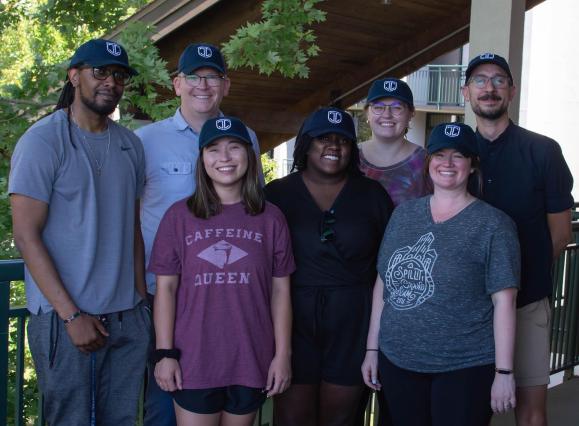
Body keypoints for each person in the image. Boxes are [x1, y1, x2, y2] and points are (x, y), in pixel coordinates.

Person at [9, 39, 150, 425]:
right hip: (66, 318)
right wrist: (71, 317)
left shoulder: (130, 145)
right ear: (74, 76)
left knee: (122, 420)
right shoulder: (42, 141)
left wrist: (141, 303)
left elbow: (132, 228)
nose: (111, 81)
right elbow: (26, 236)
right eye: (100, 72)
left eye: (119, 75)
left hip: (127, 315)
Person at [136, 43, 263, 425]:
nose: (202, 85)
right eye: (193, 77)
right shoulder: (146, 141)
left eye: (212, 77)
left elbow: (251, 210)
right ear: (177, 84)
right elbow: (126, 216)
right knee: (163, 408)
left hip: (228, 299)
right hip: (164, 296)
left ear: (226, 85)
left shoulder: (247, 139)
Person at [362, 122, 520, 426]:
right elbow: (383, 285)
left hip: (464, 366)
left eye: (458, 156)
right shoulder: (403, 215)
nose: (448, 164)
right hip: (398, 361)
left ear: (472, 165)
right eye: (440, 155)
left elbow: (505, 303)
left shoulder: (494, 225)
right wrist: (372, 350)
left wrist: (504, 372)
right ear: (428, 162)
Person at [148, 116, 294, 426]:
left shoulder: (271, 218)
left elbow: (281, 291)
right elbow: (166, 290)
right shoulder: (179, 217)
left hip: (251, 357)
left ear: (249, 156)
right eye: (213, 149)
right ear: (201, 159)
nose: (224, 158)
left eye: (234, 148)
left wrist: (283, 355)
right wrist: (165, 354)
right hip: (194, 359)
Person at [461, 53, 574, 426]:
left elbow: (559, 235)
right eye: (479, 80)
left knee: (530, 411)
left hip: (526, 302)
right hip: (467, 309)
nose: (489, 88)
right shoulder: (457, 155)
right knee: (467, 408)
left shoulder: (542, 151)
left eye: (498, 80)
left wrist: (522, 282)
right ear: (466, 92)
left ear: (512, 90)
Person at [265, 107, 394, 426]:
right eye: (324, 139)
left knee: (342, 418)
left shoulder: (372, 195)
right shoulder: (277, 194)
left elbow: (388, 268)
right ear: (306, 144)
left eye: (343, 140)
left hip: (353, 317)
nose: (334, 146)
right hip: (292, 317)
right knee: (293, 417)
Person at [359, 78, 430, 206]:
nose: (387, 115)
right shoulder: (349, 157)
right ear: (367, 113)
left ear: (411, 113)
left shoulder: (427, 163)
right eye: (378, 107)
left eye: (397, 108)